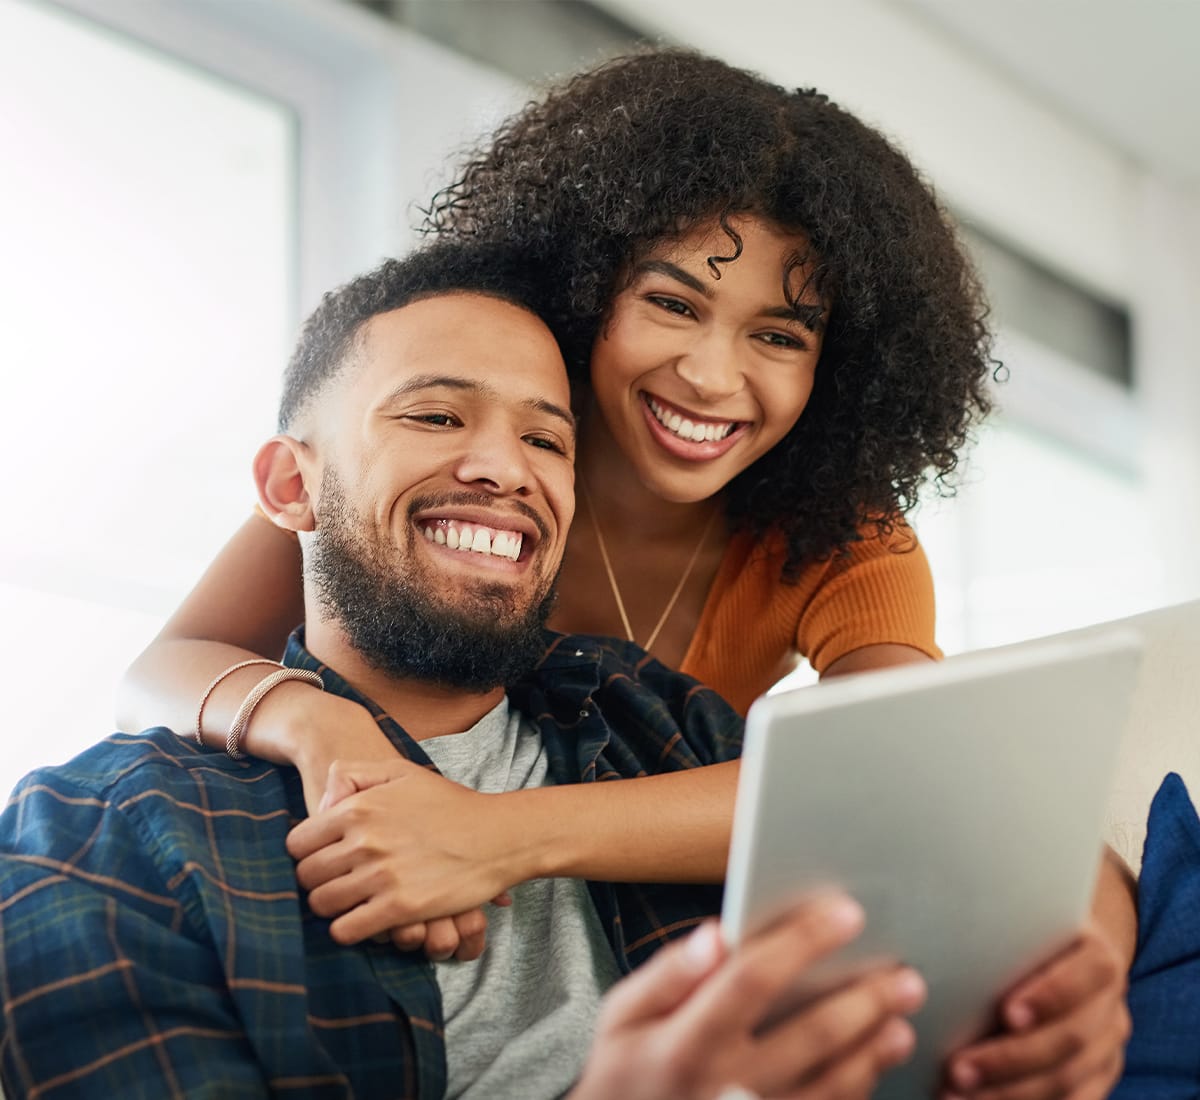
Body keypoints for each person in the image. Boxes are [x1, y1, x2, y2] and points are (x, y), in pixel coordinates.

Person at [112, 49, 1135, 1094]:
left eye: (778, 333)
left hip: (609, 928)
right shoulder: (474, 483)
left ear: (841, 365)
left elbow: (905, 784)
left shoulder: (843, 539)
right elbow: (169, 662)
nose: (711, 373)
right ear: (586, 286)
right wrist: (319, 729)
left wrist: (491, 836)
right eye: (674, 303)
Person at [0, 244, 927, 1099]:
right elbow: (163, 668)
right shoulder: (104, 837)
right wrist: (322, 726)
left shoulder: (657, 723)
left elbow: (912, 820)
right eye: (436, 415)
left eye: (547, 439)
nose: (500, 468)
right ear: (292, 486)